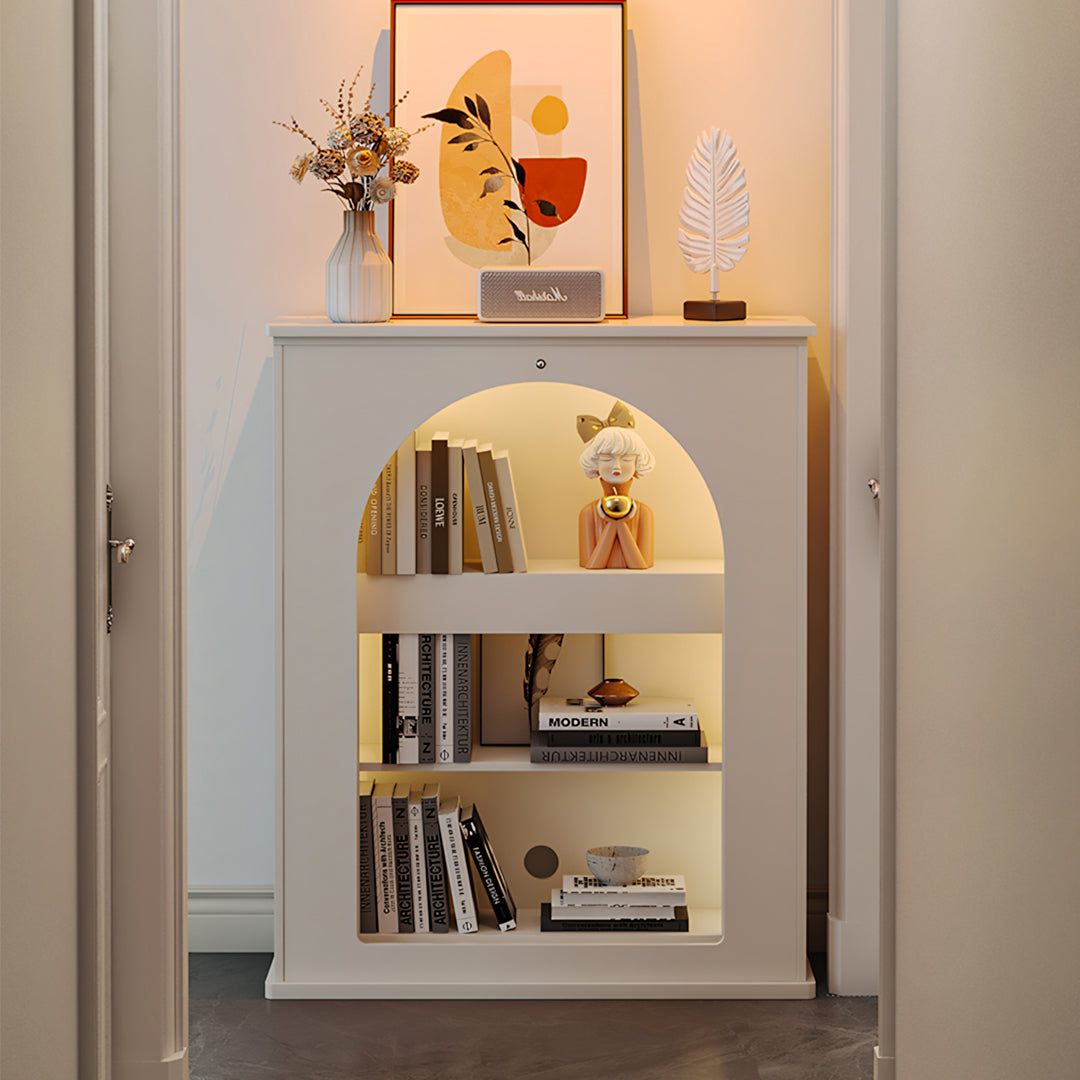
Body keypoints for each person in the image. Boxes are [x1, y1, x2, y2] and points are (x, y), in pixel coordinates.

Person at [578, 424, 655, 569]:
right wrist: (614, 523)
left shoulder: (644, 513)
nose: (617, 466)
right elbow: (592, 565)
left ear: (637, 463)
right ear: (595, 462)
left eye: (626, 459)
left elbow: (641, 565)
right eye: (607, 458)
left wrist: (619, 523)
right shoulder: (588, 513)